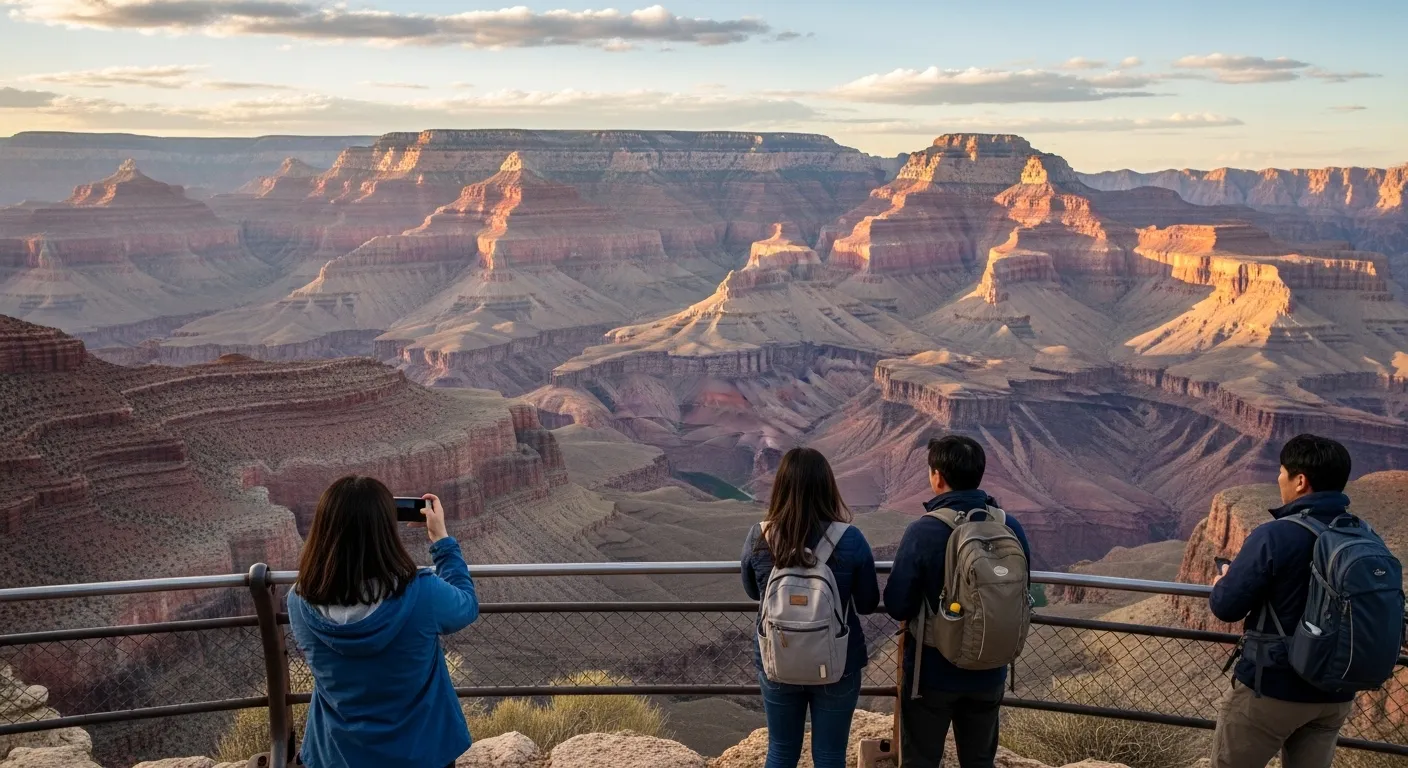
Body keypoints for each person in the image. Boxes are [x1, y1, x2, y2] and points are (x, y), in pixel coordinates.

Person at [287, 476, 480, 768]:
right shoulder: (423, 593)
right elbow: (466, 605)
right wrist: (442, 542)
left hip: (339, 756)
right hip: (421, 753)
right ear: (386, 530)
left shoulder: (299, 601)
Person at [1209, 435, 1359, 768]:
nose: (1277, 479)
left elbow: (1227, 607)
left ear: (1301, 480)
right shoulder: (1362, 535)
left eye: (1281, 471)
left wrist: (1222, 582)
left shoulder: (1275, 535)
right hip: (1335, 694)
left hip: (1275, 689)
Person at [884, 435, 1032, 768]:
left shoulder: (924, 531)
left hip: (933, 673)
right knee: (979, 761)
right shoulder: (1011, 527)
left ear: (937, 476)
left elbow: (898, 604)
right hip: (990, 668)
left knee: (920, 760)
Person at [742, 447, 881, 768]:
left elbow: (753, 592)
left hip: (777, 658)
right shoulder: (851, 538)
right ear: (827, 487)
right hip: (837, 662)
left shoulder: (759, 536)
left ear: (780, 487)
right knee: (830, 754)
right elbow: (868, 602)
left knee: (780, 749)